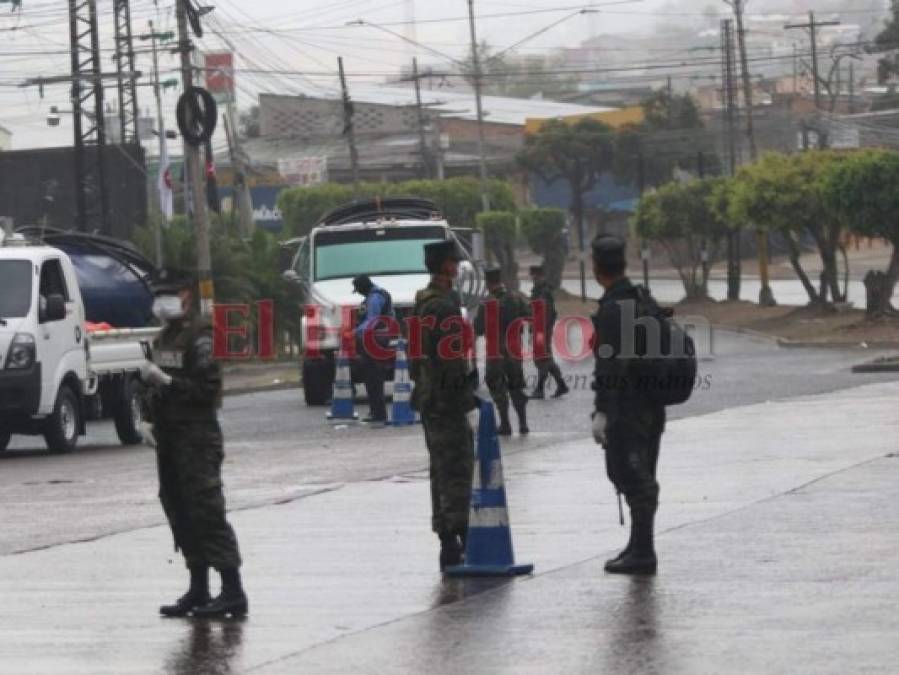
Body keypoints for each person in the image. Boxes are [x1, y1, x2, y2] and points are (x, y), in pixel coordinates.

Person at [140, 269, 248, 618]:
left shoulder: (201, 336)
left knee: (206, 510)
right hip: (169, 438)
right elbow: (153, 387)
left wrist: (167, 382)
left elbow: (206, 390)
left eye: (168, 293)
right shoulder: (163, 338)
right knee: (178, 507)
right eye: (158, 294)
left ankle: (232, 591)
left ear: (186, 295)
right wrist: (147, 418)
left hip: (197, 438)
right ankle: (198, 587)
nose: (162, 301)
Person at [590, 235, 666, 576]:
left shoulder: (612, 310)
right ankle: (638, 546)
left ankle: (644, 551)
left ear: (596, 269)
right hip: (652, 406)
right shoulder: (642, 299)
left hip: (627, 409)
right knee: (642, 474)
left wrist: (602, 410)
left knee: (633, 477)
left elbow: (608, 367)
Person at [410, 241, 477, 571]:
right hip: (447, 401)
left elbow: (415, 356)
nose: (458, 268)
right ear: (448, 267)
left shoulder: (423, 302)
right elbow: (451, 361)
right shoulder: (444, 307)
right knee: (457, 468)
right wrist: (467, 402)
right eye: (455, 262)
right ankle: (460, 537)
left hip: (429, 398)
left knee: (440, 469)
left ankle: (447, 541)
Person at [474, 267, 531, 436]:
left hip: (496, 352)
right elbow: (530, 314)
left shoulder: (487, 303)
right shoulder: (516, 298)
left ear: (488, 283)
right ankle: (523, 423)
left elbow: (478, 328)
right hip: (514, 350)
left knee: (497, 386)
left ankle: (505, 424)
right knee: (516, 385)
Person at [352, 274, 395, 425]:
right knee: (371, 376)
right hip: (374, 340)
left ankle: (379, 414)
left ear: (363, 287)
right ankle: (376, 411)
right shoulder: (373, 296)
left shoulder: (375, 298)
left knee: (373, 377)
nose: (358, 293)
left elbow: (373, 320)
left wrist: (356, 332)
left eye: (358, 290)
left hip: (375, 341)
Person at [528, 265, 569, 400]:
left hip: (542, 331)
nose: (534, 278)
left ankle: (540, 389)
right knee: (546, 358)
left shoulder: (543, 293)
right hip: (540, 330)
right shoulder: (538, 291)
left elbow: (544, 314)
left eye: (537, 276)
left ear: (542, 277)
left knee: (541, 359)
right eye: (533, 276)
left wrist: (540, 332)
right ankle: (562, 385)